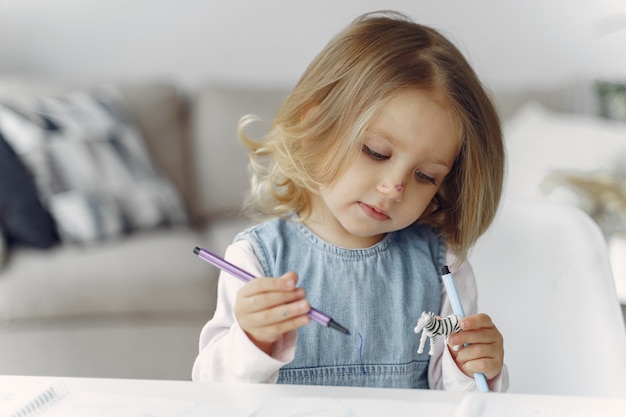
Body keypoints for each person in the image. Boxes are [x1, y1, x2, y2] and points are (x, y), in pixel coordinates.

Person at [192, 10, 508, 391]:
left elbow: (464, 400)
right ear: (314, 127)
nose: (395, 187)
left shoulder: (443, 266)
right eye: (376, 152)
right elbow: (211, 390)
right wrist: (252, 341)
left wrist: (477, 368)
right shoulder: (258, 259)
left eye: (425, 176)